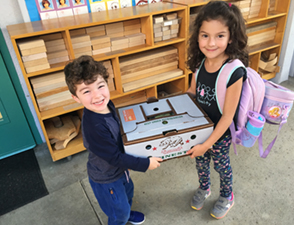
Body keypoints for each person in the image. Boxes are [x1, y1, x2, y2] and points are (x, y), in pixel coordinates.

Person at [64, 55, 163, 225]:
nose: (97, 96)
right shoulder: (94, 127)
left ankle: (125, 212)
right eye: (86, 91)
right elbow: (114, 157)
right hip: (107, 177)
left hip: (120, 170)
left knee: (128, 193)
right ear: (76, 98)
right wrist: (145, 164)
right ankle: (120, 218)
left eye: (100, 86)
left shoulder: (107, 105)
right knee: (117, 210)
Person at [186, 1, 248, 220]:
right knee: (200, 162)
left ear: (231, 37)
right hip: (200, 129)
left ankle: (227, 195)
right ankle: (204, 187)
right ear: (198, 36)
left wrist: (207, 144)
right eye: (205, 35)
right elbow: (191, 93)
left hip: (220, 134)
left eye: (219, 36)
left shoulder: (234, 71)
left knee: (222, 167)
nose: (210, 43)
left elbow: (228, 116)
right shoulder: (200, 63)